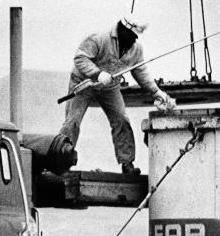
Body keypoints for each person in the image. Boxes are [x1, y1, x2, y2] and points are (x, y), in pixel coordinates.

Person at [59, 14, 176, 175]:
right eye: (132, 36)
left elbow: (140, 71)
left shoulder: (136, 49)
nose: (134, 40)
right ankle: (60, 160)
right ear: (122, 29)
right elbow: (80, 57)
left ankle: (127, 163)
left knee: (122, 120)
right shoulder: (99, 38)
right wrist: (98, 73)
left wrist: (156, 91)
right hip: (83, 83)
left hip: (110, 87)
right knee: (72, 121)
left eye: (136, 37)